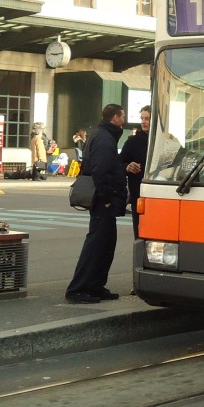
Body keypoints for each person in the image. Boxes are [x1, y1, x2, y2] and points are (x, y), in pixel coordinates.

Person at [65, 104, 129, 304]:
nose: (124, 120)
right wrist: (108, 199)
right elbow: (100, 170)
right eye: (123, 116)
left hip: (104, 200)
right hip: (103, 202)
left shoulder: (102, 135)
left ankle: (95, 286)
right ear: (116, 117)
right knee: (96, 245)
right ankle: (78, 288)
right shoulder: (103, 138)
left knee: (106, 244)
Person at [119, 104, 150, 240]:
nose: (143, 122)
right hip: (139, 194)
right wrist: (127, 167)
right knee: (140, 233)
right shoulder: (133, 141)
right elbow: (118, 163)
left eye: (147, 118)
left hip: (161, 193)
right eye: (142, 118)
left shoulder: (167, 140)